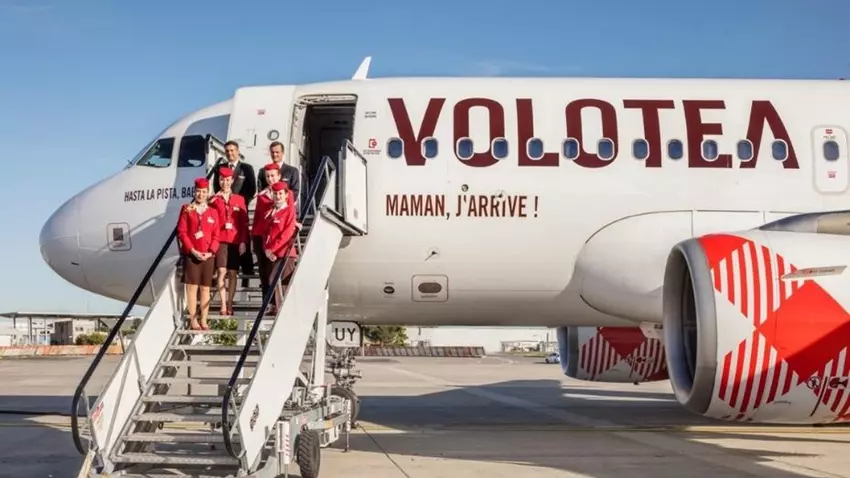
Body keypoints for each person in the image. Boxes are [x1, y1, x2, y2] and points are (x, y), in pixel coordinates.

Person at [176, 177, 220, 330]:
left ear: (208, 193)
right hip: (192, 255)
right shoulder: (187, 209)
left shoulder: (213, 212)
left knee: (206, 288)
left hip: (207, 256)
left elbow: (216, 235)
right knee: (192, 288)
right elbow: (182, 232)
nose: (201, 194)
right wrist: (192, 250)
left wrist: (211, 252)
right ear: (194, 192)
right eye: (198, 191)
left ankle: (204, 319)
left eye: (204, 192)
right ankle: (193, 319)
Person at [212, 141, 257, 285]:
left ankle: (247, 271)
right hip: (224, 209)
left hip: (239, 208)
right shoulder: (220, 168)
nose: (230, 153)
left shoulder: (246, 168)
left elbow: (252, 188)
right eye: (227, 151)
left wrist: (240, 202)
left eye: (232, 150)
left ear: (238, 151)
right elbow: (216, 186)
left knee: (244, 238)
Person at [208, 167, 249, 316]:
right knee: (221, 272)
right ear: (219, 181)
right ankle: (223, 304)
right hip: (220, 240)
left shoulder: (239, 199)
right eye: (222, 180)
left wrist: (243, 241)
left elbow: (244, 223)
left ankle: (230, 302)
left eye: (227, 180)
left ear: (232, 181)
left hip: (235, 240)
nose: (224, 183)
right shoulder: (214, 200)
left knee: (232, 273)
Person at [263, 181, 297, 315]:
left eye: (280, 194)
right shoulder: (271, 211)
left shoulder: (289, 210)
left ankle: (283, 310)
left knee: (279, 281)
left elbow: (286, 234)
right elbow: (266, 233)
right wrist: (267, 250)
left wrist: (272, 249)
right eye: (275, 194)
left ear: (286, 195)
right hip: (273, 254)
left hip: (285, 252)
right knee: (275, 282)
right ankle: (279, 309)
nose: (277, 196)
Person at [252, 163, 280, 304]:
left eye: (273, 176)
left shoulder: (285, 194)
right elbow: (257, 217)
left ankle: (275, 303)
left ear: (279, 176)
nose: (270, 179)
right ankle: (266, 303)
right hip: (260, 236)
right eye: (268, 176)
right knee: (263, 273)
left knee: (273, 273)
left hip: (275, 237)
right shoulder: (262, 196)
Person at [258, 141, 305, 218]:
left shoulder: (292, 171)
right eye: (272, 152)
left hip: (286, 211)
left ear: (283, 153)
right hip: (268, 212)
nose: (274, 154)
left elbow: (295, 192)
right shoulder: (263, 171)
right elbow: (261, 191)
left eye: (277, 152)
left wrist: (280, 206)